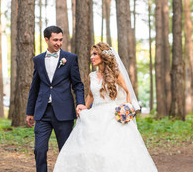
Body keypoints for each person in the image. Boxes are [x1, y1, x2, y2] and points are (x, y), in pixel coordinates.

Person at [53, 42, 157, 172]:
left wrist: (127, 108)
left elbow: (127, 92)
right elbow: (91, 95)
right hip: (95, 115)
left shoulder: (116, 74)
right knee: (91, 150)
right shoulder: (92, 76)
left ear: (103, 56)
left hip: (113, 116)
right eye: (91, 54)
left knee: (111, 151)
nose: (91, 57)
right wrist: (83, 107)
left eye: (95, 54)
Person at [26, 26, 87, 172]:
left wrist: (80, 103)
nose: (58, 43)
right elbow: (34, 87)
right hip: (42, 112)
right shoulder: (38, 60)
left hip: (64, 112)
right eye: (55, 40)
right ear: (46, 39)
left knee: (65, 150)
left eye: (60, 40)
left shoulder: (70, 59)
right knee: (39, 150)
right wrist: (30, 112)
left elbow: (77, 84)